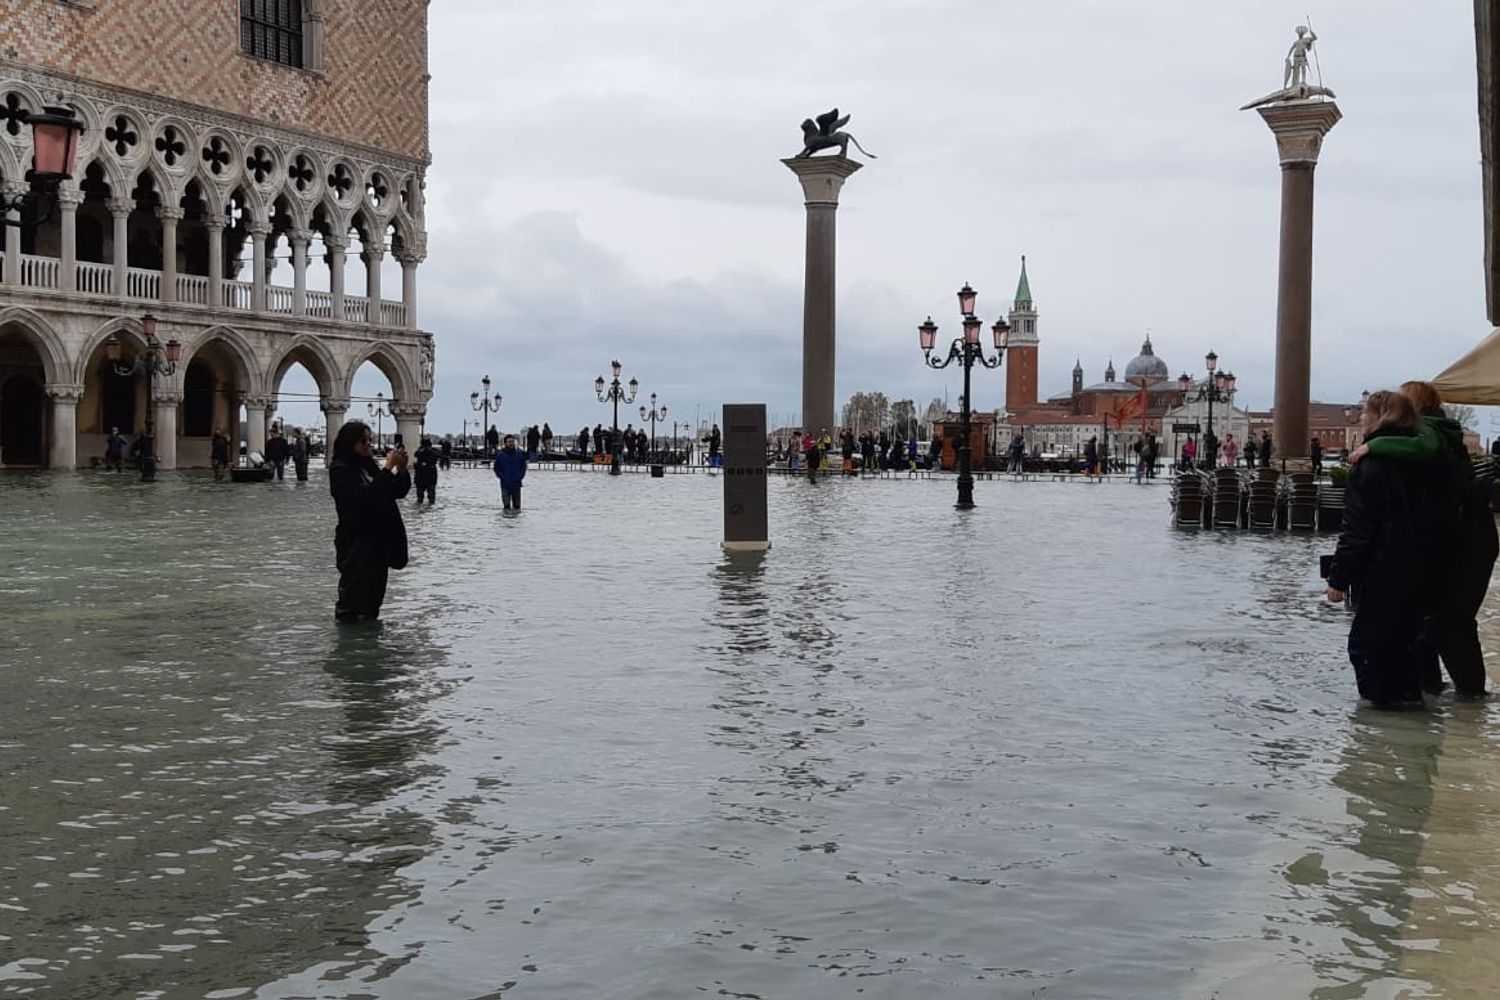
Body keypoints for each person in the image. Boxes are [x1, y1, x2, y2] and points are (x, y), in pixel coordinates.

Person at [1351, 381, 1494, 699]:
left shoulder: (1428, 433)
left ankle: (1469, 699)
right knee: (1430, 621)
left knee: (1445, 620)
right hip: (1466, 537)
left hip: (1463, 539)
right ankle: (1439, 697)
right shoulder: (1444, 432)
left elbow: (1422, 453)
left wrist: (1371, 447)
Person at [1325, 391, 1439, 708]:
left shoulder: (1371, 464)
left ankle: (1377, 734)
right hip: (1424, 568)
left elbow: (1358, 531)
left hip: (1383, 570)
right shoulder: (1427, 461)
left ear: (1380, 417)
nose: (1361, 419)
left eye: (1366, 413)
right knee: (1405, 647)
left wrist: (1338, 578)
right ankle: (1413, 732)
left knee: (1366, 649)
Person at [329, 420, 410, 623]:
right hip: (355, 544)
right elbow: (364, 499)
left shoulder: (368, 467)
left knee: (372, 602)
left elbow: (396, 491)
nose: (368, 445)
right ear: (350, 443)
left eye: (369, 440)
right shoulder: (340, 469)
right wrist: (387, 467)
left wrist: (401, 469)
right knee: (352, 603)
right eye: (362, 441)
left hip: (377, 544)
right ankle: (350, 649)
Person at [493, 433, 527, 510]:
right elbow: (496, 468)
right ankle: (506, 521)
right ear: (505, 443)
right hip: (505, 484)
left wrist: (520, 476)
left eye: (512, 441)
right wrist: (501, 476)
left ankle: (515, 522)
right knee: (506, 506)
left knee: (517, 507)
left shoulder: (519, 454)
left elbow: (523, 466)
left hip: (516, 483)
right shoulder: (501, 455)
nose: (511, 443)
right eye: (509, 441)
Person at [413, 437, 439, 504]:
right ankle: (429, 509)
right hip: (431, 476)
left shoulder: (419, 451)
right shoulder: (434, 451)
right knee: (431, 497)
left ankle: (420, 509)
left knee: (420, 497)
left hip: (421, 476)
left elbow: (416, 457)